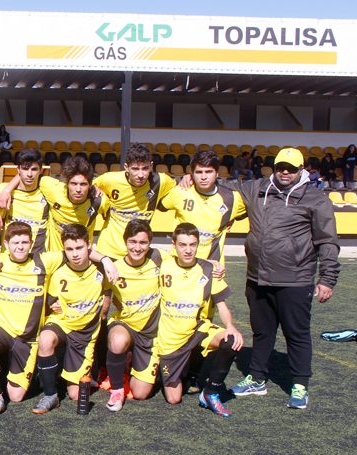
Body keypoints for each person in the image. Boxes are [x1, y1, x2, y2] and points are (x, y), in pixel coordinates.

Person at [230, 147, 339, 409]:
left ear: (302, 170)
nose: (285, 172)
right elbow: (224, 189)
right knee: (262, 332)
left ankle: (300, 384)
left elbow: (327, 240)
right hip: (258, 278)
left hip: (295, 279)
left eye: (291, 168)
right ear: (274, 167)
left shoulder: (315, 199)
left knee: (297, 334)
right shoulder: (256, 188)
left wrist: (327, 278)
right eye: (281, 167)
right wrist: (190, 179)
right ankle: (257, 378)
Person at [143, 223, 244, 415]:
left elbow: (221, 305)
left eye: (192, 245)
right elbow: (137, 248)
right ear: (174, 245)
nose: (188, 250)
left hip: (198, 329)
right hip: (170, 340)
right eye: (183, 245)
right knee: (174, 399)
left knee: (231, 342)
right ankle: (169, 373)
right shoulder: (163, 262)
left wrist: (230, 326)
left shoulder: (207, 269)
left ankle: (211, 392)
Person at [0, 222, 64, 419]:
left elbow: (76, 255)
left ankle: (20, 369)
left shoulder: (44, 261)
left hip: (27, 339)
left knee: (17, 395)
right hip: (1, 329)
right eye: (15, 242)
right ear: (6, 243)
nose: (20, 246)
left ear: (31, 244)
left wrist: (105, 260)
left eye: (24, 242)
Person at [33, 224, 110, 413]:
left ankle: (68, 370)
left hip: (84, 334)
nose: (75, 253)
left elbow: (108, 295)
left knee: (76, 394)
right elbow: (51, 298)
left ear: (89, 246)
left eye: (79, 248)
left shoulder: (102, 268)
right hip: (62, 322)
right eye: (69, 249)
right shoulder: (58, 269)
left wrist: (106, 259)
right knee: (45, 339)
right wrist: (52, 303)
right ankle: (50, 395)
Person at [102, 219, 162, 412]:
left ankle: (132, 363)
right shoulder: (114, 267)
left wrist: (213, 264)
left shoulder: (159, 259)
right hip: (125, 324)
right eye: (132, 242)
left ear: (150, 243)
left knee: (140, 393)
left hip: (150, 333)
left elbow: (188, 260)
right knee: (118, 340)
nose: (137, 247)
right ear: (125, 241)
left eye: (143, 242)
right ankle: (117, 388)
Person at [92, 142, 177, 272]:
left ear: (152, 166)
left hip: (137, 253)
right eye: (135, 169)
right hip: (109, 252)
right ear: (126, 167)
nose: (141, 174)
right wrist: (94, 188)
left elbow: (182, 189)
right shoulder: (109, 179)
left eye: (145, 168)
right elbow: (87, 186)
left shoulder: (161, 181)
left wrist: (189, 178)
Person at [159, 150, 245, 268]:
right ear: (192, 174)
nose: (203, 177)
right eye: (199, 172)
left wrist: (231, 220)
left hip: (212, 267)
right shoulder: (180, 192)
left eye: (208, 172)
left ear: (217, 174)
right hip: (179, 266)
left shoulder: (232, 198)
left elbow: (250, 211)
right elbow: (159, 204)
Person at [0, 148, 51, 254]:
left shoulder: (48, 193)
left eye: (34, 169)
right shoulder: (3, 191)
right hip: (9, 257)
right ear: (18, 169)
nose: (29, 174)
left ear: (41, 170)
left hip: (38, 257)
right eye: (25, 169)